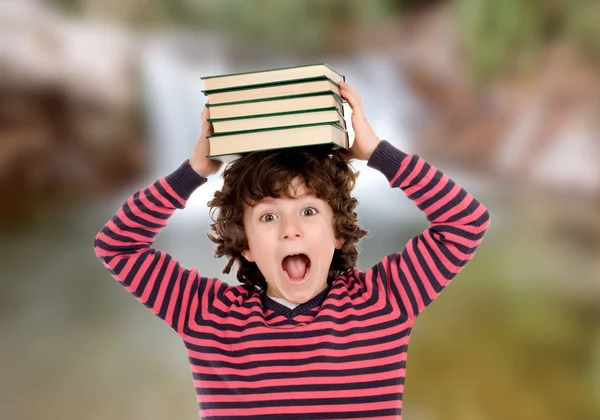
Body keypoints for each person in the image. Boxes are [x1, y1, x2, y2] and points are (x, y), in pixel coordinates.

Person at [94, 81, 490, 420]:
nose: (290, 230)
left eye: (308, 210)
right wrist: (193, 172)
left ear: (338, 232)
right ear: (245, 244)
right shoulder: (207, 316)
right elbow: (117, 246)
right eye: (268, 217)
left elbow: (466, 222)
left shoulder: (385, 300)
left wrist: (378, 153)